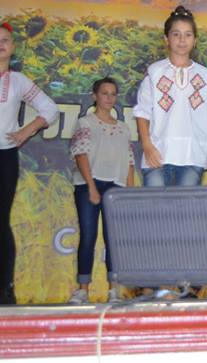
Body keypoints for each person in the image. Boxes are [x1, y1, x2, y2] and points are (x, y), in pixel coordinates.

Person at [133, 6, 207, 188]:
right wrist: (147, 146)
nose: (182, 40)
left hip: (192, 156)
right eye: (176, 34)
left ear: (195, 40)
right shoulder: (155, 72)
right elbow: (143, 112)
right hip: (158, 154)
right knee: (155, 206)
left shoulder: (203, 74)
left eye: (188, 35)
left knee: (184, 206)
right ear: (166, 39)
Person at [0, 21, 59, 305]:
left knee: (1, 221)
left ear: (13, 47)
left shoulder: (18, 81)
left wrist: (26, 131)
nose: (0, 44)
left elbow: (50, 109)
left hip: (4, 156)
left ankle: (5, 290)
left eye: (5, 40)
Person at [67, 77, 135, 304]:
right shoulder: (86, 123)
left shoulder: (123, 128)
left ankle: (114, 289)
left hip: (115, 187)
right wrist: (91, 186)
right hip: (90, 184)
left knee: (113, 238)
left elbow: (129, 161)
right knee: (88, 235)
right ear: (94, 96)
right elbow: (81, 154)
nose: (109, 98)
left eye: (113, 94)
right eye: (104, 93)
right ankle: (83, 289)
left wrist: (129, 192)